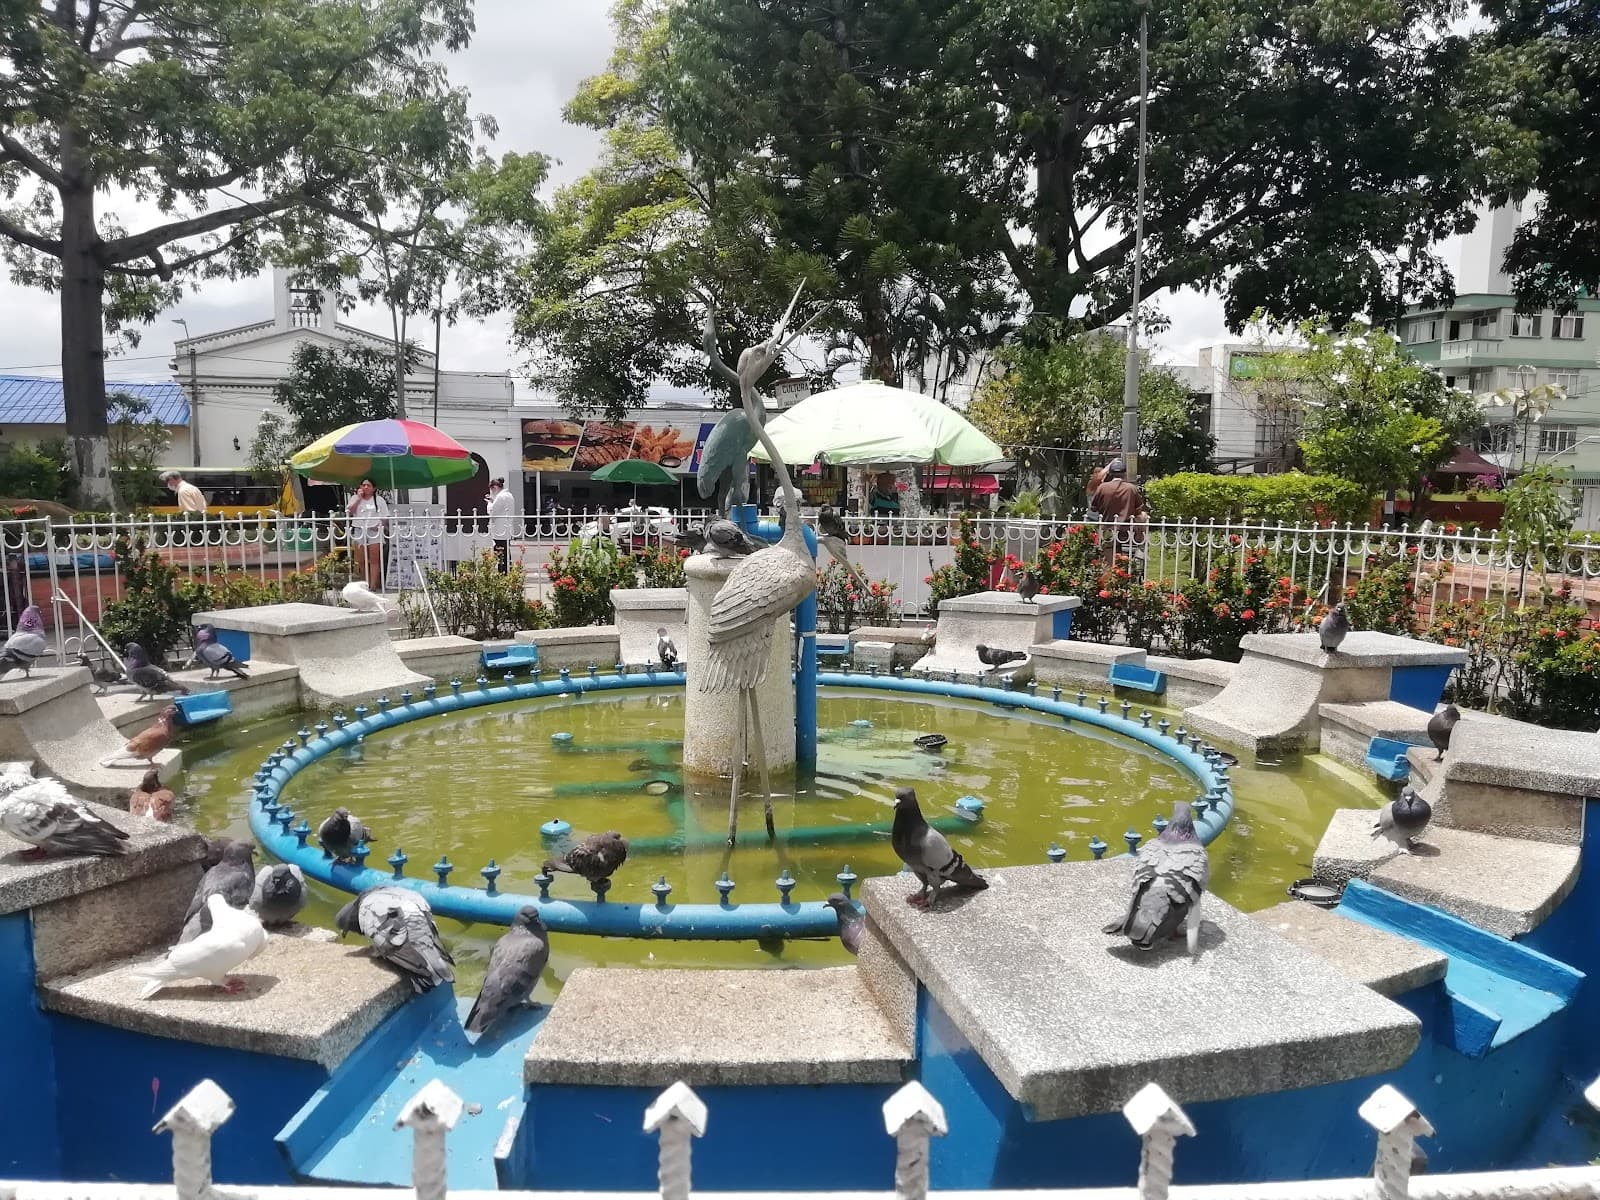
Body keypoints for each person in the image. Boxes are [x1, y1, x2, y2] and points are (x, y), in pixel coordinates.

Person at [1088, 458, 1146, 558]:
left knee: (1109, 563)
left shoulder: (1102, 487)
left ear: (1110, 473)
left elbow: (1094, 508)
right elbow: (1138, 510)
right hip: (1127, 531)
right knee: (1144, 516)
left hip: (1107, 530)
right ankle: (1141, 545)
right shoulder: (1131, 488)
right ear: (1124, 474)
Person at [345, 479, 390, 588]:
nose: (365, 487)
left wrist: (380, 526)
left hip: (374, 530)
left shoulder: (379, 500)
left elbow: (385, 517)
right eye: (363, 485)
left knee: (374, 559)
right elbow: (350, 511)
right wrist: (358, 499)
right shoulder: (354, 498)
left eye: (368, 485)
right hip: (359, 529)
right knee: (361, 560)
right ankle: (365, 583)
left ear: (374, 488)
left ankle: (373, 585)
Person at [486, 477, 516, 573]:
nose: (492, 492)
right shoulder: (509, 495)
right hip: (507, 528)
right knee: (506, 552)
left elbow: (493, 511)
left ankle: (502, 572)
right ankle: (507, 570)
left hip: (500, 529)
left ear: (495, 487)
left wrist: (490, 503)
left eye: (492, 489)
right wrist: (493, 500)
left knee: (500, 552)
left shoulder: (500, 497)